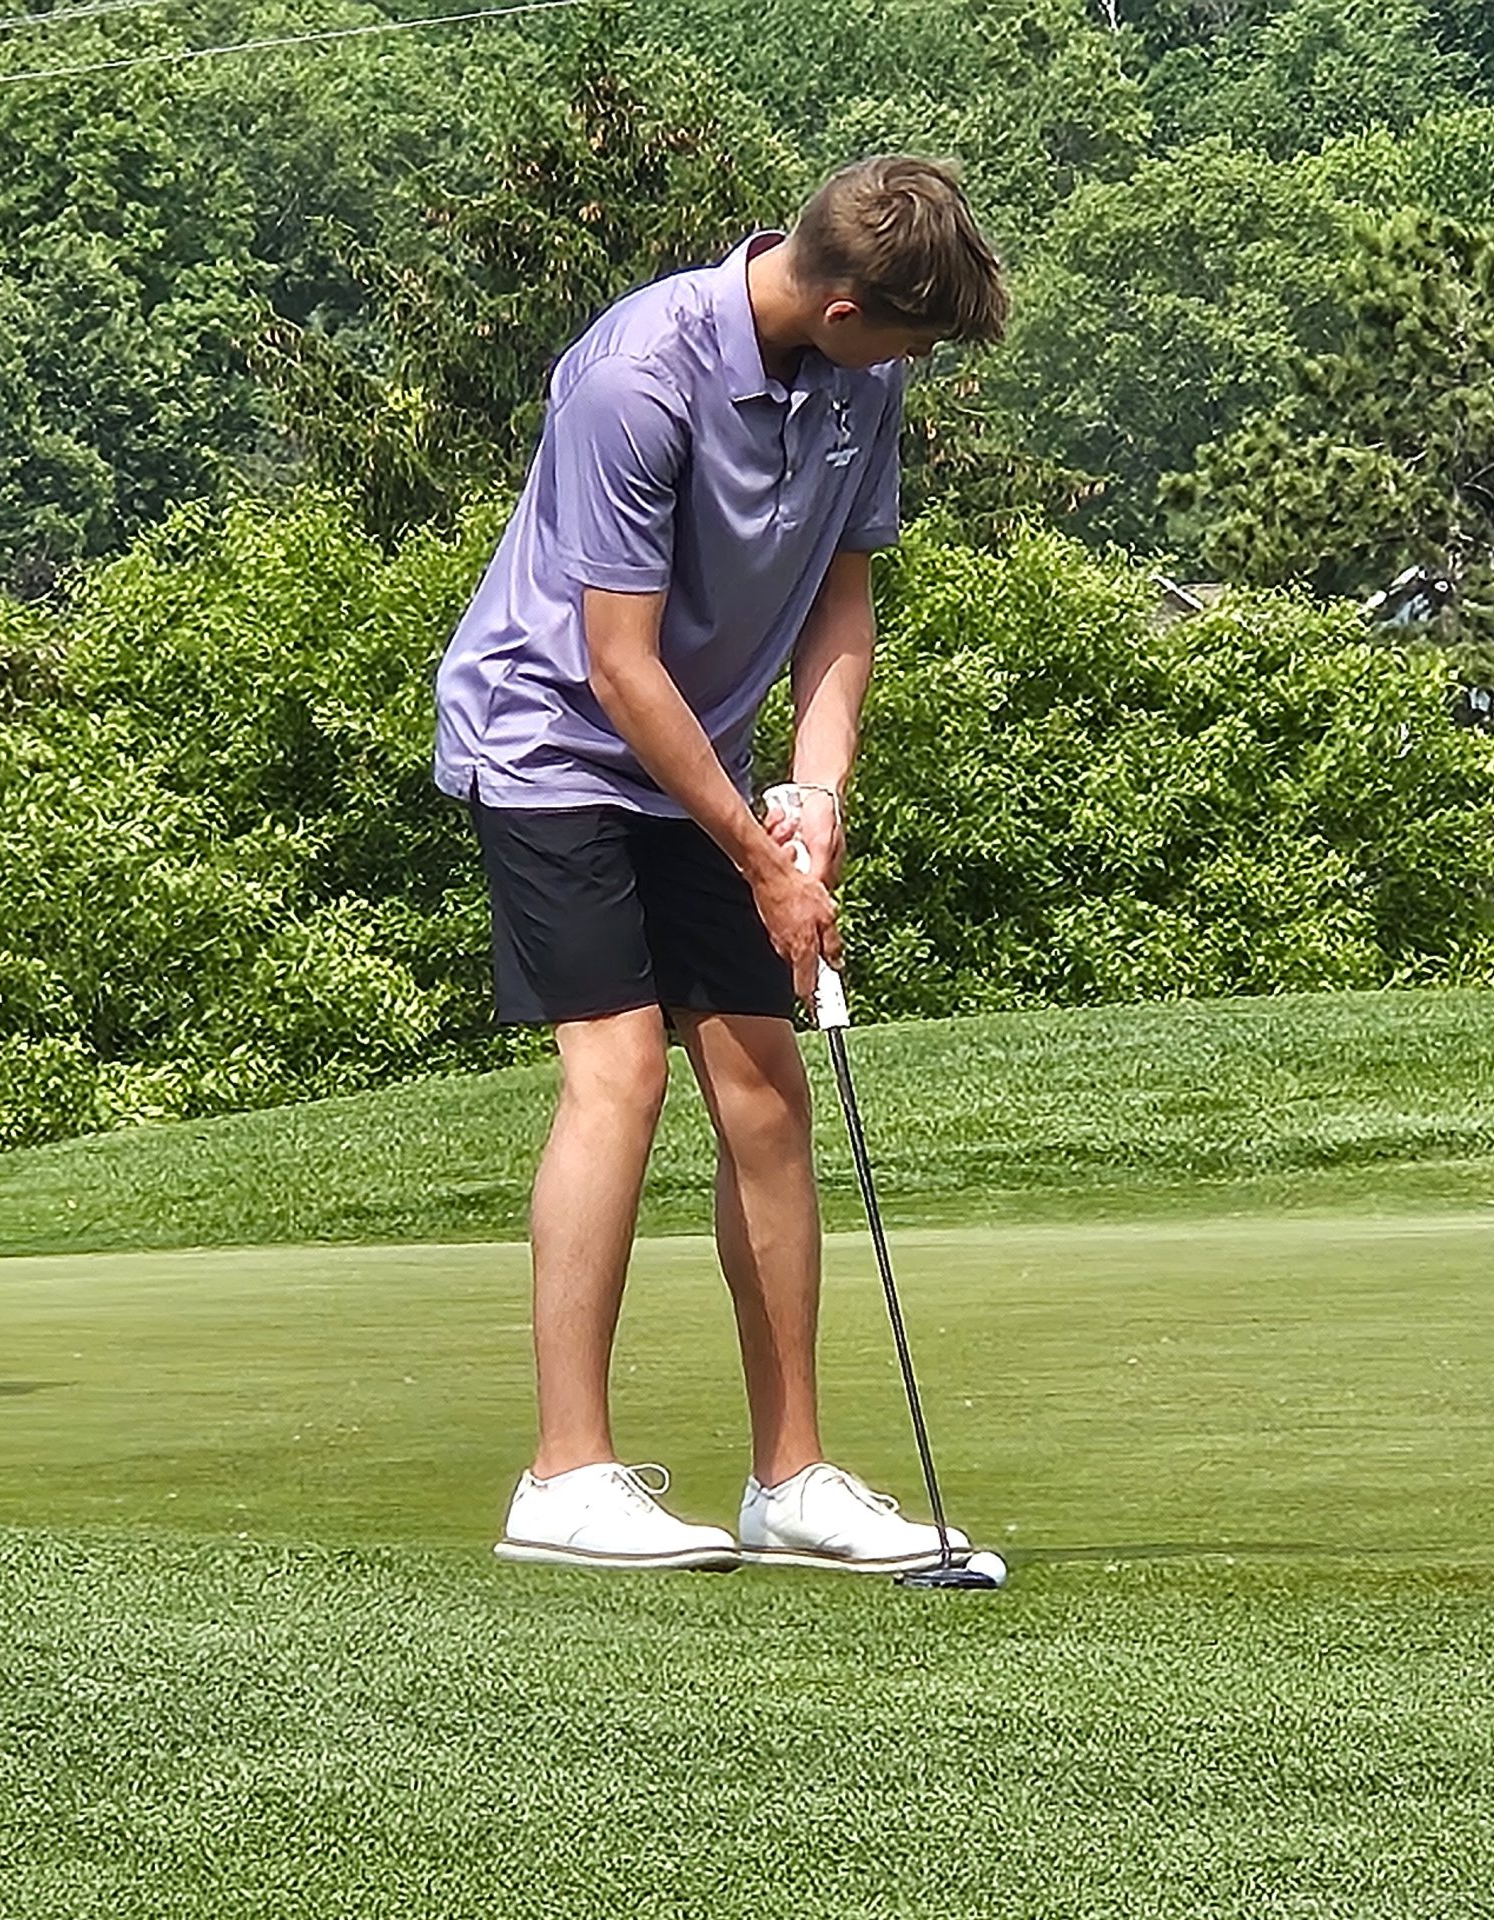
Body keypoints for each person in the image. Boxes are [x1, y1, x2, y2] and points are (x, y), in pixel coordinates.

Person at [434, 156, 1010, 1570]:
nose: (918, 368)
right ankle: (563, 1477)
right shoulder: (637, 374)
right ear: (844, 300)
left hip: (701, 764)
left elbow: (839, 602)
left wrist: (814, 793)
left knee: (763, 1087)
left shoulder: (856, 381)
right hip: (552, 743)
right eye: (915, 339)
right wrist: (759, 855)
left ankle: (788, 1479)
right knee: (619, 1068)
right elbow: (617, 666)